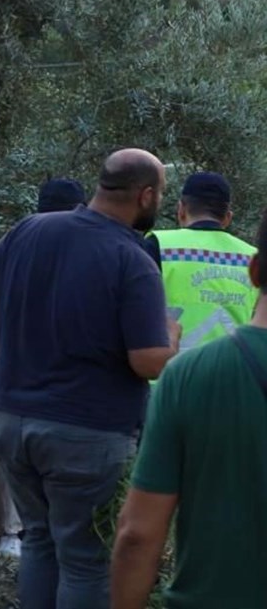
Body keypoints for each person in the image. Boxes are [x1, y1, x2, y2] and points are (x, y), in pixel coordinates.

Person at [0, 149, 180, 609]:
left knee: (40, 542)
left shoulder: (28, 230)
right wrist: (170, 338)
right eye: (159, 195)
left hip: (10, 419)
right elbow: (147, 362)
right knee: (85, 558)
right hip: (86, 432)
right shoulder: (133, 258)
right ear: (146, 195)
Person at [110, 207, 267, 609]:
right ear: (230, 214)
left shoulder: (185, 377)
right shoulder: (232, 248)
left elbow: (138, 534)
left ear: (255, 271)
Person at [0, 176, 87, 558]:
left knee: (12, 463)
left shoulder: (15, 247)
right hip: (72, 393)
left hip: (14, 388)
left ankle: (12, 536)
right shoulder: (94, 252)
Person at [145, 172, 259, 352]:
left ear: (181, 209)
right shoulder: (253, 258)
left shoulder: (158, 245)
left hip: (171, 375)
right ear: (228, 217)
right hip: (234, 373)